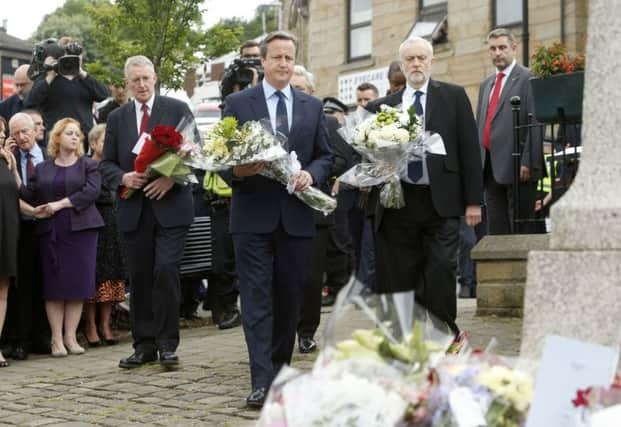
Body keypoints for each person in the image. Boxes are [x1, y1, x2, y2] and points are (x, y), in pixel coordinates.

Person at [222, 30, 332, 408]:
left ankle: (280, 375)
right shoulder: (237, 102)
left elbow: (325, 155)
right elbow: (221, 163)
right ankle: (261, 381)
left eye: (289, 58)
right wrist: (242, 171)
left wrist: (312, 175)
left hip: (296, 218)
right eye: (277, 57)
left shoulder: (311, 106)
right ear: (264, 62)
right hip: (252, 218)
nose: (284, 64)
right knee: (255, 301)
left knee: (289, 301)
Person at [366, 37, 483, 337]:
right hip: (398, 203)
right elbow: (367, 154)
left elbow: (469, 149)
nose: (416, 64)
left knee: (442, 268)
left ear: (431, 61)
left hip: (441, 200)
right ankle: (411, 337)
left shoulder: (453, 96)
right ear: (402, 65)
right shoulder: (383, 107)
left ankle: (444, 331)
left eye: (421, 58)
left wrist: (473, 201)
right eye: (410, 59)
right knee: (403, 272)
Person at [99, 55, 194, 369]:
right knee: (139, 277)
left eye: (146, 79)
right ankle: (144, 346)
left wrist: (170, 177)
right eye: (134, 80)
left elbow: (197, 152)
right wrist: (123, 177)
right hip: (134, 208)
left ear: (155, 79)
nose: (141, 85)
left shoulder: (177, 109)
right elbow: (106, 164)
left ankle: (168, 344)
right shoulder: (116, 118)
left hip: (171, 207)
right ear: (126, 83)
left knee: (165, 270)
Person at [17, 116, 103, 357]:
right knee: (54, 285)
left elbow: (91, 193)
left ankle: (71, 336)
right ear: (57, 137)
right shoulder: (44, 167)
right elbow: (28, 193)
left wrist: (60, 204)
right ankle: (56, 339)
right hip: (51, 232)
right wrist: (13, 171)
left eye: (77, 134)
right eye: (69, 133)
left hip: (82, 231)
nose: (75, 137)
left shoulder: (89, 165)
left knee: (78, 284)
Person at [477, 28, 544, 235]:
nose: (497, 53)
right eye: (493, 48)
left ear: (514, 49)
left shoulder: (528, 77)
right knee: (496, 230)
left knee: (520, 230)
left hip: (518, 167)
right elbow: (481, 122)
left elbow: (536, 120)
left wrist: (529, 160)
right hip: (489, 166)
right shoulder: (486, 84)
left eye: (502, 48)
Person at [3, 113, 51, 360]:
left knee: (47, 282)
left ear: (36, 130)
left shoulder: (49, 155)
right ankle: (19, 339)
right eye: (16, 133)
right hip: (20, 228)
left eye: (26, 131)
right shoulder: (8, 160)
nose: (22, 137)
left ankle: (43, 337)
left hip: (49, 228)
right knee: (21, 286)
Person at [24, 37, 109, 152]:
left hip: (81, 141)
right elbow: (30, 102)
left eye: (76, 55)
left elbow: (103, 94)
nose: (71, 59)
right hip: (55, 141)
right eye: (67, 55)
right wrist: (50, 74)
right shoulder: (48, 78)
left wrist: (81, 72)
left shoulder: (85, 80)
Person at [83, 124, 126, 347]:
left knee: (111, 275)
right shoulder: (86, 165)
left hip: (113, 223)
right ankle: (90, 326)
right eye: (103, 141)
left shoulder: (115, 166)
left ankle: (106, 325)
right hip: (92, 223)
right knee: (93, 276)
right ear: (92, 143)